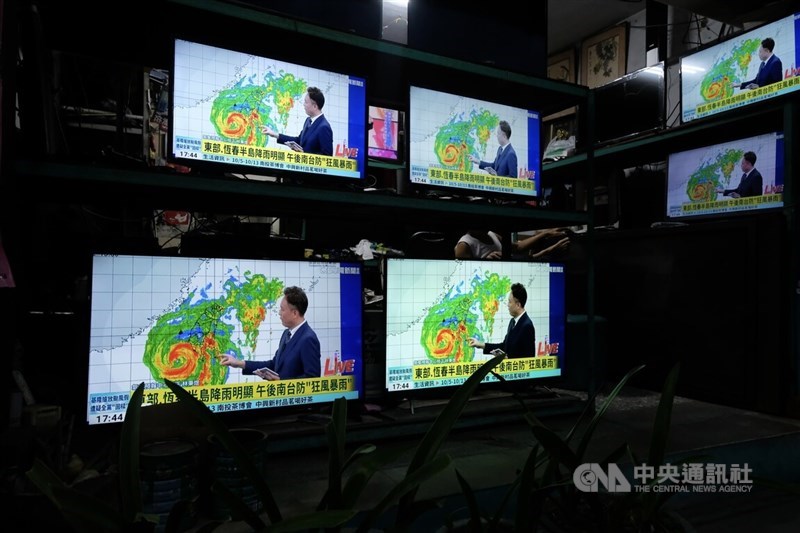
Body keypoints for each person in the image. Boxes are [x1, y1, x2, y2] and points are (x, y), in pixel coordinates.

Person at [219, 286, 321, 380]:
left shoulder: (308, 339)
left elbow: (312, 379)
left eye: (282, 309)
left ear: (294, 313)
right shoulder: (287, 333)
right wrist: (239, 363)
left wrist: (281, 382)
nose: (279, 313)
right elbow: (274, 365)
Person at [468, 282, 535, 358]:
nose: (508, 305)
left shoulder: (527, 326)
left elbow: (529, 358)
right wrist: (480, 344)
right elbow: (504, 346)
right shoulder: (513, 322)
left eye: (510, 302)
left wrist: (509, 359)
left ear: (518, 305)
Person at [262, 87, 333, 156]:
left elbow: (327, 156)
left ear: (314, 106)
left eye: (306, 102)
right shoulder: (308, 120)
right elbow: (299, 141)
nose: (304, 104)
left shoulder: (324, 127)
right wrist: (274, 134)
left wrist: (304, 154)